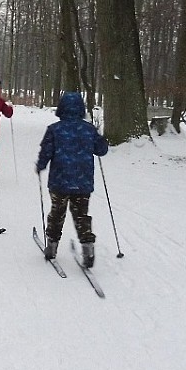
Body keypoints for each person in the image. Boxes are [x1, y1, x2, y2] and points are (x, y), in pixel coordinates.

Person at [35, 91, 109, 267]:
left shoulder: (54, 129)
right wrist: (101, 140)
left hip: (59, 181)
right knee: (81, 215)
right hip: (83, 181)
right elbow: (101, 150)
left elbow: (46, 151)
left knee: (57, 213)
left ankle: (52, 246)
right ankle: (88, 246)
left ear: (61, 109)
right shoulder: (89, 129)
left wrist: (40, 165)